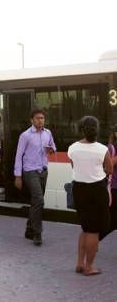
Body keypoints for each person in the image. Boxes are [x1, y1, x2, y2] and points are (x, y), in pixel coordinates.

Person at [67, 116, 112, 276]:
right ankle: (89, 266)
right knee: (94, 230)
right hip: (97, 190)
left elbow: (74, 165)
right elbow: (110, 169)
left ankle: (79, 263)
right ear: (97, 130)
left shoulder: (72, 148)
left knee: (85, 227)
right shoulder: (102, 149)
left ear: (81, 129)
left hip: (79, 189)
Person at [14, 108, 56, 246]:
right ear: (32, 120)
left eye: (42, 118)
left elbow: (53, 147)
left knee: (36, 202)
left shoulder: (48, 133)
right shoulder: (25, 135)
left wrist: (51, 149)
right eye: (37, 118)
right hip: (30, 171)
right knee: (39, 200)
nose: (40, 120)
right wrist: (18, 176)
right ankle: (37, 233)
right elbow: (18, 156)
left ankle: (29, 229)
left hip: (43, 171)